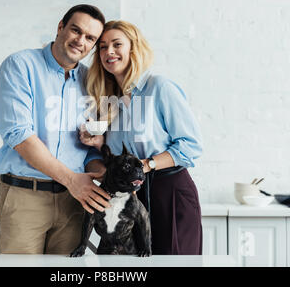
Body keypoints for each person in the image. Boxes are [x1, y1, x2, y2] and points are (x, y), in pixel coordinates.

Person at [0, 4, 111, 254]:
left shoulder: (92, 81)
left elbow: (89, 150)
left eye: (90, 38)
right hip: (26, 196)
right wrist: (72, 180)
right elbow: (19, 134)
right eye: (76, 31)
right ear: (60, 27)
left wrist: (105, 177)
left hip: (74, 202)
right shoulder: (20, 65)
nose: (80, 41)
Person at [79, 20, 203, 255]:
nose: (109, 52)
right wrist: (99, 143)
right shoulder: (110, 100)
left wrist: (147, 165)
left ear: (133, 49)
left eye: (117, 44)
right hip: (130, 198)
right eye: (103, 47)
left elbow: (192, 145)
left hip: (169, 191)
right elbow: (125, 150)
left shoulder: (159, 87)